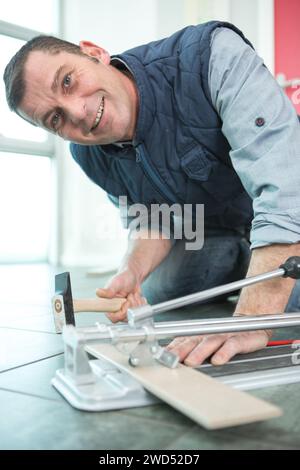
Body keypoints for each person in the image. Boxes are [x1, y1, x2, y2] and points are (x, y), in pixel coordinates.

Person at [4, 21, 300, 367]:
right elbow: (152, 217)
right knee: (161, 290)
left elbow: (287, 190)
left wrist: (250, 321)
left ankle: (258, 273)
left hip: (288, 213)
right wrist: (132, 271)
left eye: (68, 81)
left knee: (285, 310)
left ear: (94, 52)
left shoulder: (211, 55)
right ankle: (249, 265)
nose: (78, 113)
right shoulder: (88, 153)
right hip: (220, 230)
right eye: (56, 119)